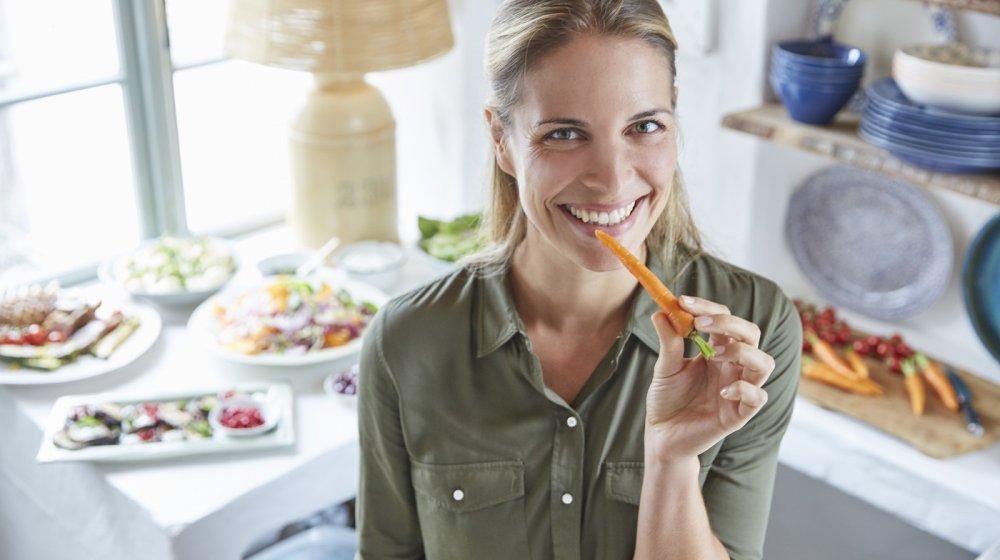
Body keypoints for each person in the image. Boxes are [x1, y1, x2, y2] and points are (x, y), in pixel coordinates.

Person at [355, 0, 801, 558]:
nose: (612, 180)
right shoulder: (407, 341)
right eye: (565, 134)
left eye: (644, 126)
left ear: (674, 117)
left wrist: (671, 460)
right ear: (501, 140)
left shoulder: (752, 330)